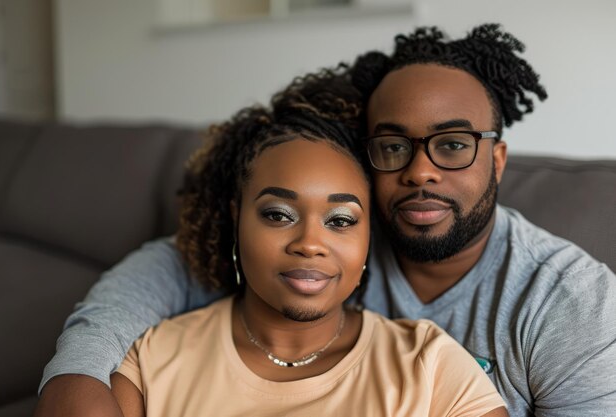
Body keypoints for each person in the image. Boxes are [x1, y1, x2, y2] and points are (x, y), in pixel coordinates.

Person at [35, 24, 616, 417]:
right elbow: (165, 272)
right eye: (393, 146)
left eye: (453, 144)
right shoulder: (321, 247)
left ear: (497, 157)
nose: (420, 172)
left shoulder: (571, 304)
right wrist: (79, 370)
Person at [104, 99, 507, 417]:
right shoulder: (153, 361)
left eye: (341, 220)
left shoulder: (429, 365)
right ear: (236, 217)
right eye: (278, 214)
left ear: (369, 236)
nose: (310, 243)